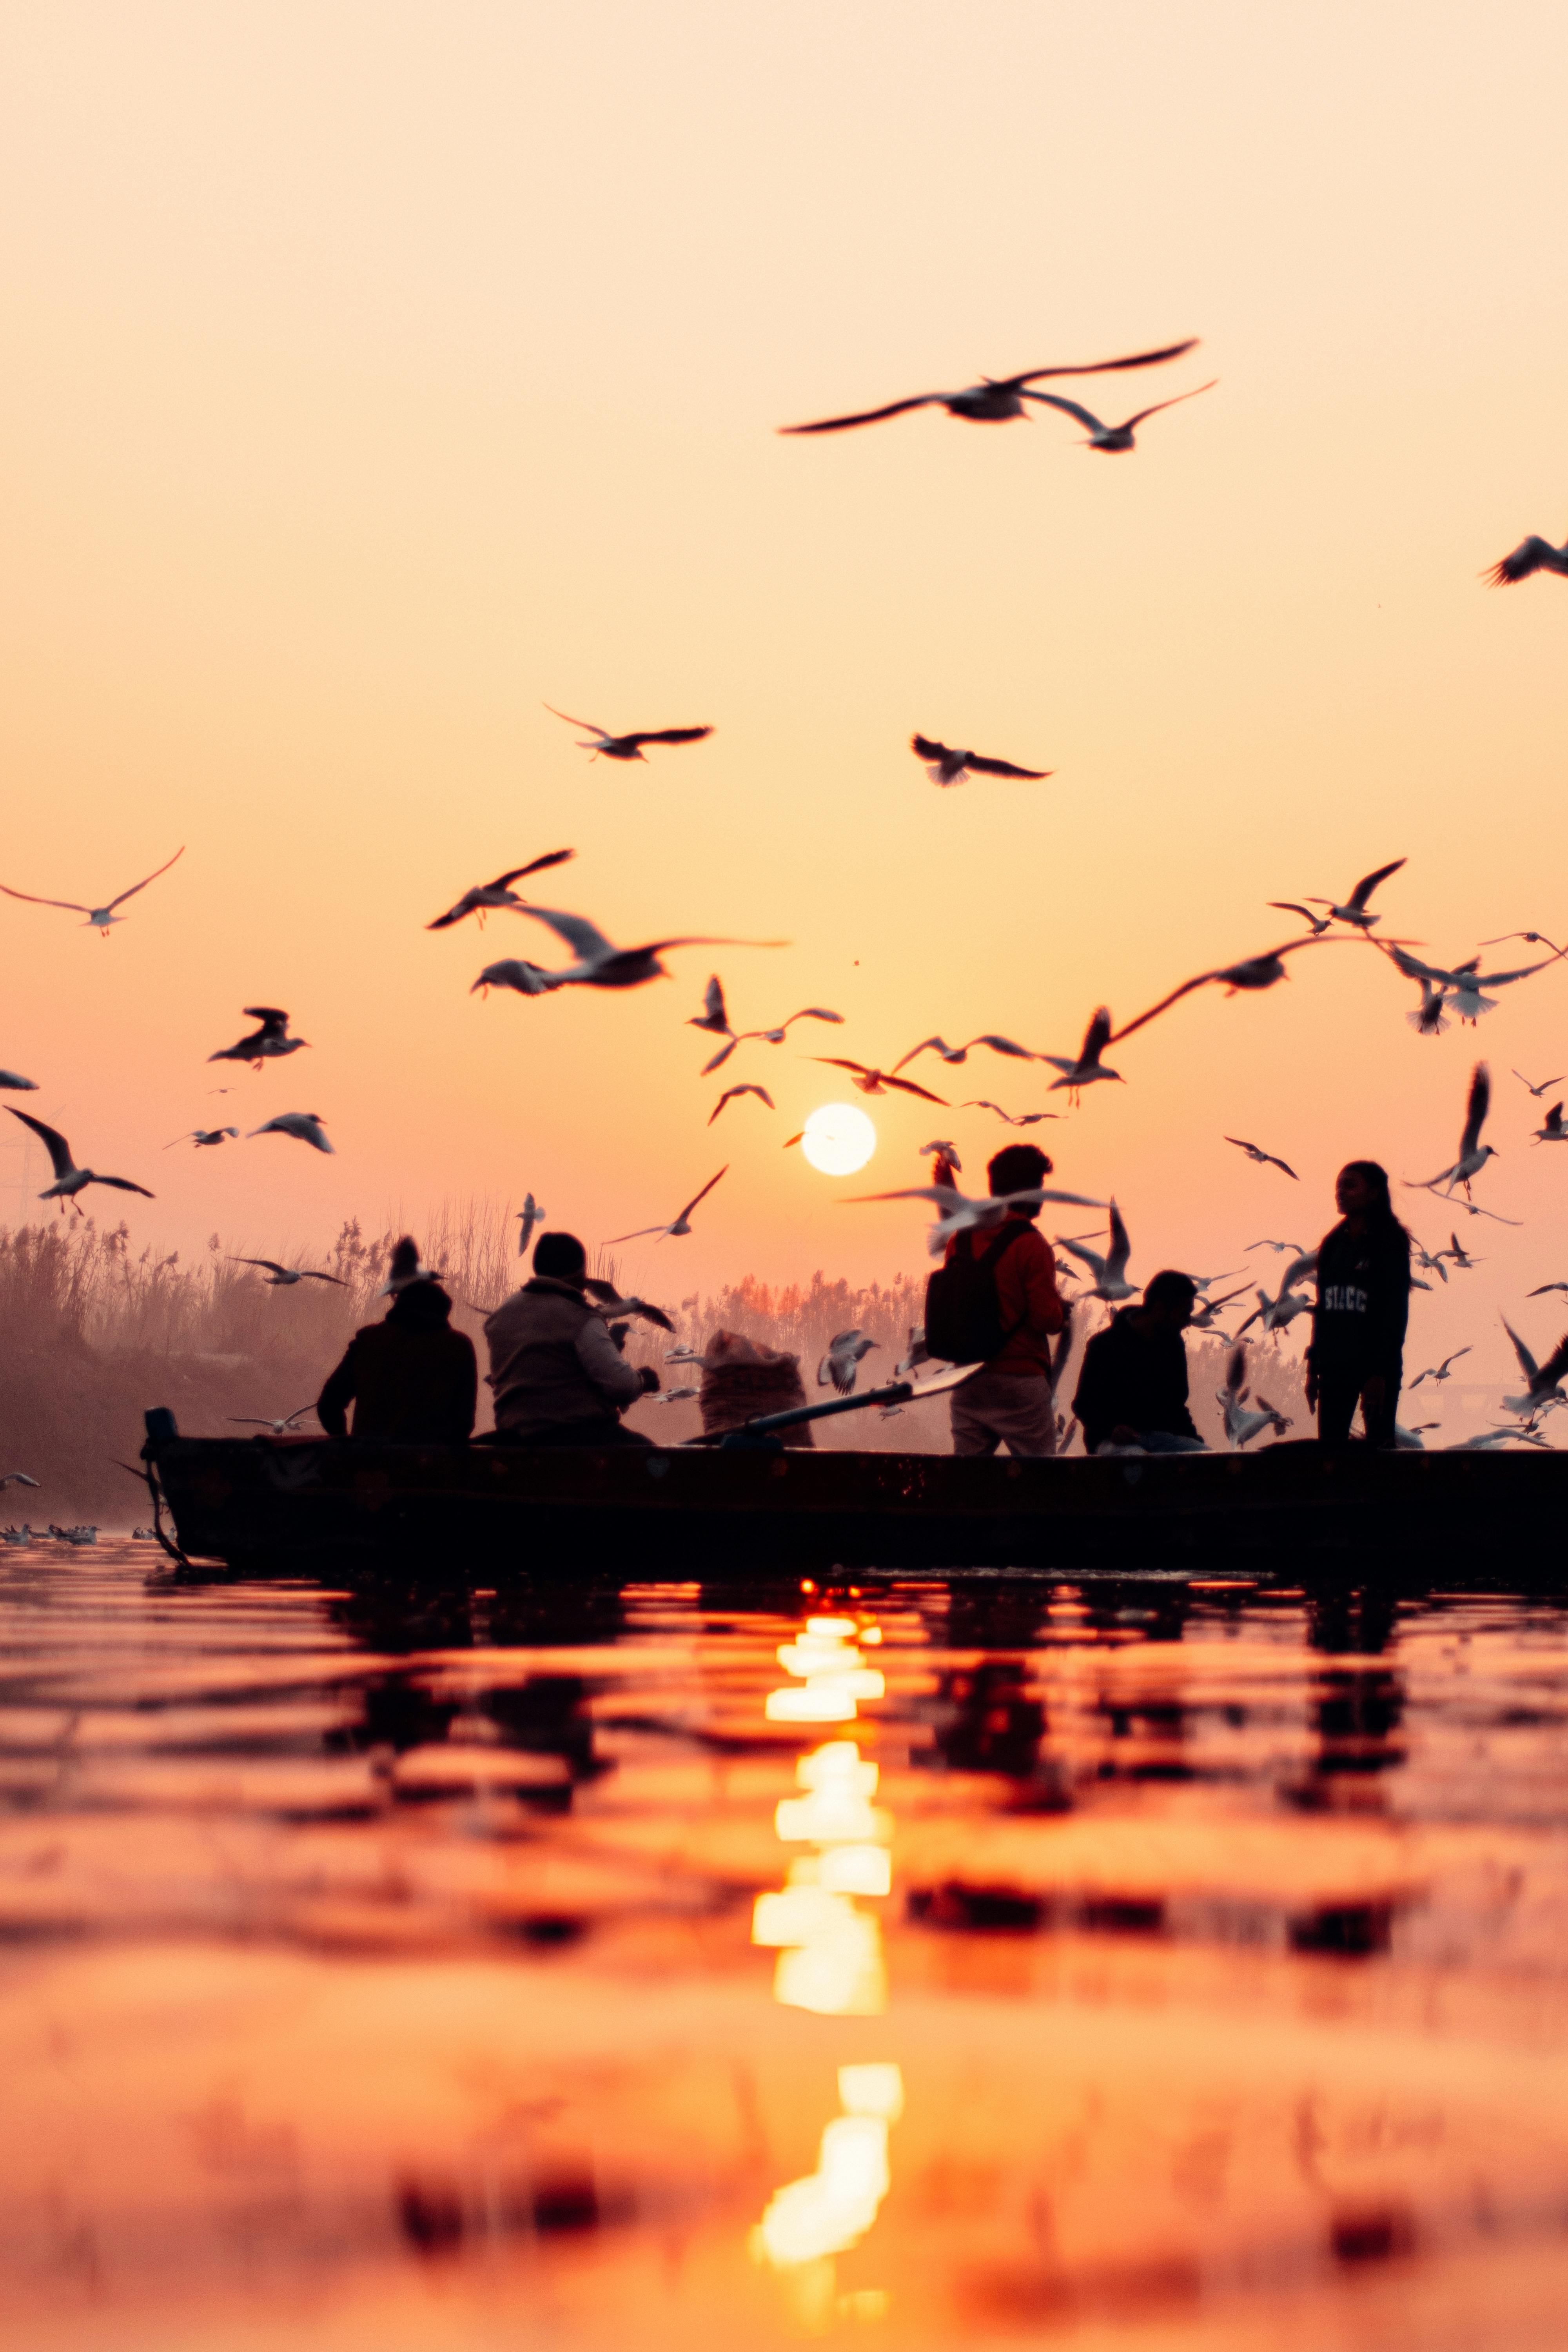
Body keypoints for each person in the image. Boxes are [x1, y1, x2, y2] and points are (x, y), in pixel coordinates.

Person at [940, 1143, 1067, 1458]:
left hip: (968, 1381)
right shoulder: (1031, 1244)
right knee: (1039, 1483)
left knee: (969, 1483)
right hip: (1020, 1380)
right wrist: (1061, 1310)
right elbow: (1046, 1321)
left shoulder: (961, 1241)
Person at [484, 1230, 660, 1446]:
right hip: (572, 1434)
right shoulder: (581, 1318)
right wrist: (642, 1380)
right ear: (579, 1272)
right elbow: (621, 1385)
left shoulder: (500, 1315)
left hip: (514, 1433)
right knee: (651, 1455)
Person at [1305, 1160, 1412, 1447]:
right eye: (1339, 1186)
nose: (1341, 1192)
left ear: (1374, 1193)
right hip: (1334, 1366)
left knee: (1379, 1451)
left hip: (1375, 1366)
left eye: (1350, 1185)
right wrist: (1313, 1368)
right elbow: (1322, 1312)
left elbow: (1394, 1313)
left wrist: (1379, 1373)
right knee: (1331, 1451)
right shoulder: (1332, 1245)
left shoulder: (1390, 1243)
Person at [316, 1260, 477, 1442]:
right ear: (444, 1308)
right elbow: (464, 1421)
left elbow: (329, 1405)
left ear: (398, 1301)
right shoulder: (458, 1346)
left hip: (369, 1463)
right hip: (430, 1464)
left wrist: (347, 1446)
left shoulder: (369, 1340)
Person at [1073, 1270, 1206, 1454]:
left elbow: (1177, 1406)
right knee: (1135, 1459)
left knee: (1204, 1459)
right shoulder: (1104, 1345)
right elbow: (1084, 1405)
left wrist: (1198, 1446)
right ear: (1160, 1309)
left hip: (1162, 1439)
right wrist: (1112, 1430)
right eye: (1184, 1314)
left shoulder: (1174, 1344)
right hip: (1110, 1441)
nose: (1188, 1322)